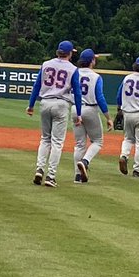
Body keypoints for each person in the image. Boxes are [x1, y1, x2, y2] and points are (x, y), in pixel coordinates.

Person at [27, 40, 84, 188]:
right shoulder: (73, 69)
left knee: (45, 139)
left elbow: (37, 85)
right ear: (70, 53)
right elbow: (77, 92)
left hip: (45, 102)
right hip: (61, 103)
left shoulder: (46, 64)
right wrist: (78, 112)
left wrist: (31, 105)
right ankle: (51, 176)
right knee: (57, 142)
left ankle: (39, 169)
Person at [72, 48, 108, 184]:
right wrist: (108, 117)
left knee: (79, 144)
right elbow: (100, 97)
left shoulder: (74, 73)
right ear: (91, 61)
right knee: (97, 141)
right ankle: (85, 162)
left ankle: (77, 176)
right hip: (90, 109)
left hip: (75, 108)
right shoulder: (96, 76)